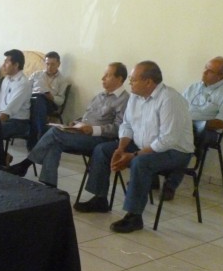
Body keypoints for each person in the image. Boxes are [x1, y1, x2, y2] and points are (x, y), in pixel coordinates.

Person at [74, 61, 193, 233]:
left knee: (140, 163)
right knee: (102, 150)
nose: (130, 83)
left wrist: (134, 155)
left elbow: (167, 139)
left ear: (149, 82)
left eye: (133, 80)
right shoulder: (136, 97)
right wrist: (121, 149)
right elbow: (127, 125)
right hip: (143, 146)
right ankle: (99, 199)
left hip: (175, 152)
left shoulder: (170, 99)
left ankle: (134, 216)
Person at [9, 62, 130, 187]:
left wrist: (92, 129)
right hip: (83, 133)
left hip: (99, 140)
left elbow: (118, 128)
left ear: (119, 79)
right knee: (53, 143)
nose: (102, 78)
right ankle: (50, 186)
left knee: (55, 133)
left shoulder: (124, 100)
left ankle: (25, 164)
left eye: (107, 75)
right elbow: (87, 117)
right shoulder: (100, 96)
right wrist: (77, 123)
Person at [162, 56, 223, 199]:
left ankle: (171, 184)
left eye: (210, 70)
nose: (204, 72)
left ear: (221, 76)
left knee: (185, 140)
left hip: (206, 131)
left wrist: (196, 123)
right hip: (183, 126)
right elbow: (178, 106)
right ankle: (151, 178)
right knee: (159, 130)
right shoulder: (193, 87)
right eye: (205, 68)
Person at [28, 51, 69, 148]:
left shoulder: (62, 80)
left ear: (58, 64)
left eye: (53, 64)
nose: (49, 67)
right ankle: (40, 136)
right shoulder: (36, 75)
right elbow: (26, 88)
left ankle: (34, 140)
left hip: (50, 104)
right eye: (47, 64)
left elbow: (61, 100)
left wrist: (52, 97)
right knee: (37, 100)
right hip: (33, 100)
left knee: (39, 101)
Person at [0, 49, 32, 141]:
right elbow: (0, 105)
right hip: (3, 118)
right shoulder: (6, 79)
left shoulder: (23, 83)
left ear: (16, 65)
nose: (3, 65)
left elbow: (9, 111)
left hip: (17, 122)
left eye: (6, 62)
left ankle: (2, 155)